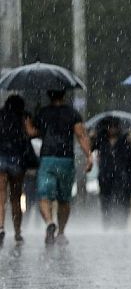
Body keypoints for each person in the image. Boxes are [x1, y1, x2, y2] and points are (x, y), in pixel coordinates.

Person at [33, 89, 93, 244]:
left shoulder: (43, 113)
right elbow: (81, 135)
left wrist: (32, 117)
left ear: (49, 95)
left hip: (47, 158)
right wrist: (89, 156)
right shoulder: (72, 114)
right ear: (64, 95)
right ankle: (61, 232)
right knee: (64, 199)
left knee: (44, 196)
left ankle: (49, 222)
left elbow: (33, 132)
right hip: (66, 160)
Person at [91, 116, 131, 230]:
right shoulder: (101, 139)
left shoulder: (126, 139)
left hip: (124, 177)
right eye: (110, 126)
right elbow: (90, 148)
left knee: (124, 202)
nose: (113, 129)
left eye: (115, 126)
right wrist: (93, 135)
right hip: (106, 177)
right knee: (106, 201)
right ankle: (107, 224)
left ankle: (121, 225)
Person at [0, 95, 34, 244]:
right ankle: (17, 232)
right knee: (16, 198)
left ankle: (0, 227)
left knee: (1, 197)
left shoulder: (1, 115)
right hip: (17, 160)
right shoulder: (23, 117)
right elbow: (30, 134)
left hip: (1, 157)